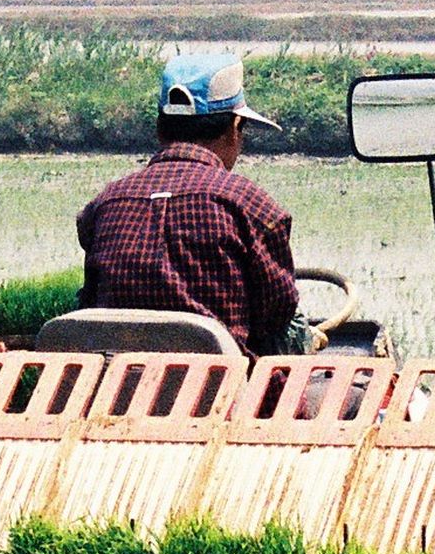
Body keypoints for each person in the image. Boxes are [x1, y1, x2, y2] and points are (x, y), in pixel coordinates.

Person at [77, 47, 302, 353]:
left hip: (118, 388)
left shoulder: (104, 206)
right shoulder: (253, 208)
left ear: (160, 128)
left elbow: (90, 302)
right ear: (235, 129)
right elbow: (276, 318)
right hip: (227, 391)